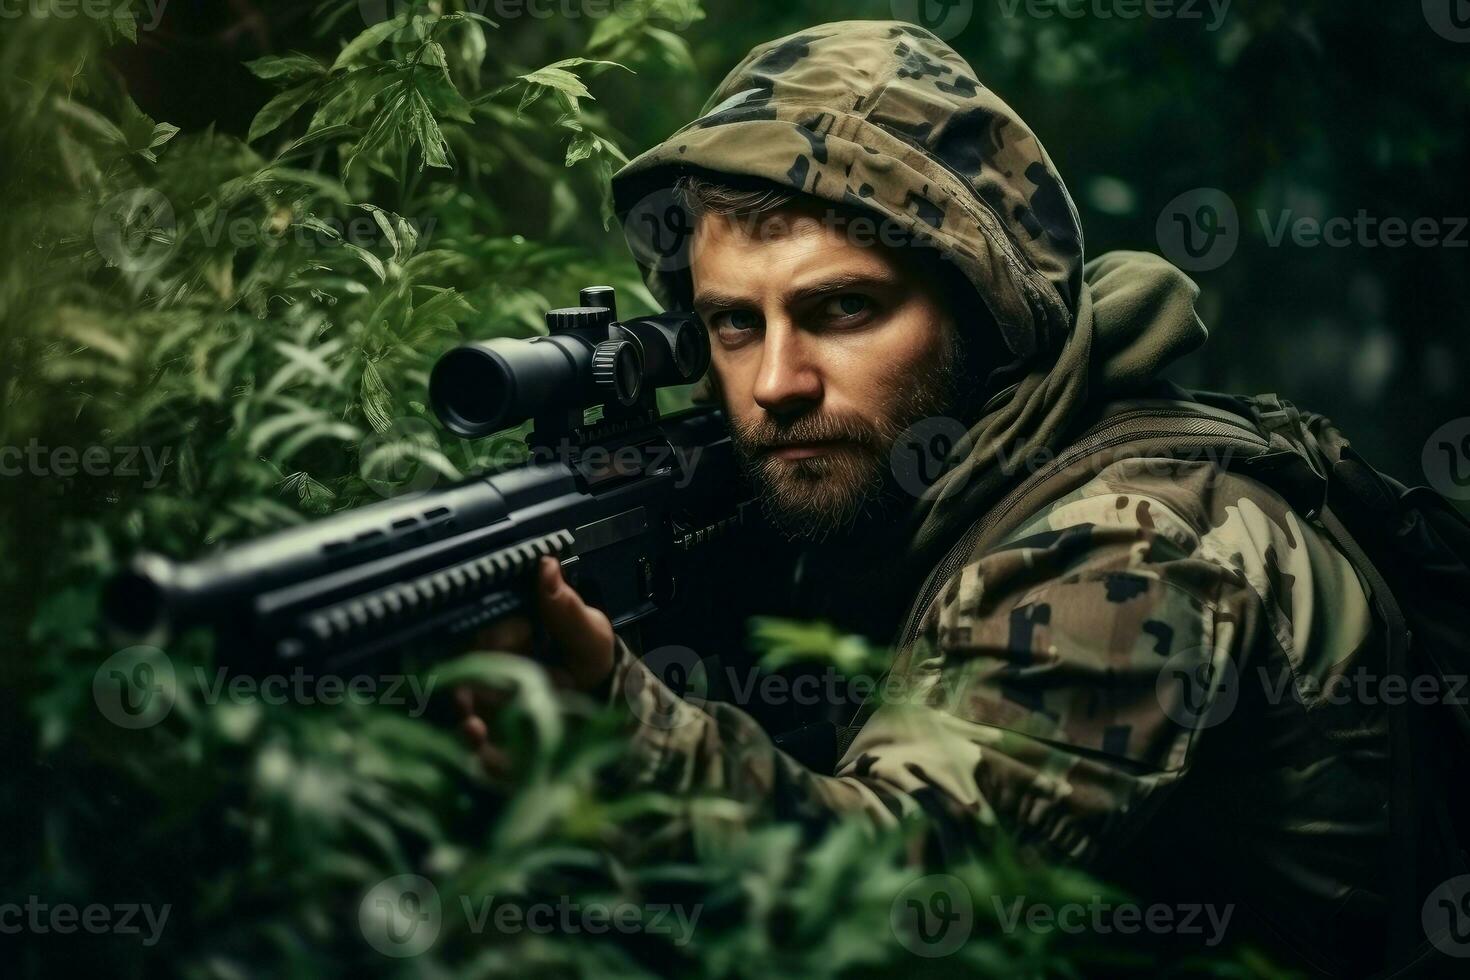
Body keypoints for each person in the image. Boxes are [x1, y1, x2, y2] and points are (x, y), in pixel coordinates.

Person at [456, 21, 1394, 973]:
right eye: (734, 324)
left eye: (843, 309)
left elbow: (900, 902)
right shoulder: (904, 505)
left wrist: (627, 742)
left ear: (983, 309)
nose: (776, 382)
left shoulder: (1132, 540)